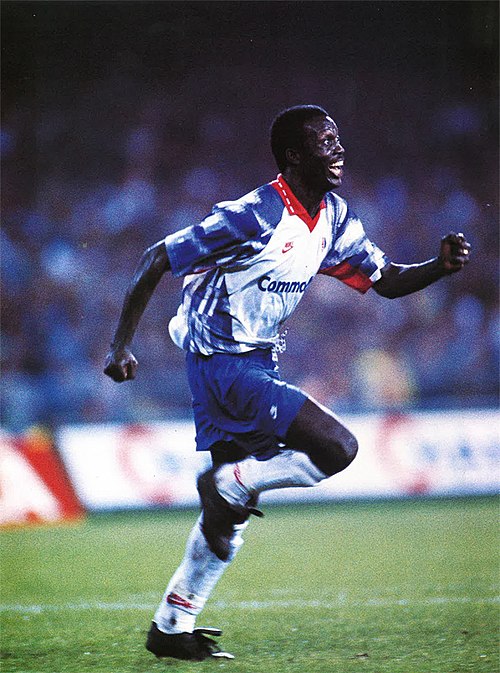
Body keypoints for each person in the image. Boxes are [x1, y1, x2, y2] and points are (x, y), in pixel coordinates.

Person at [104, 104, 470, 661]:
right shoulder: (253, 216)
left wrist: (438, 267)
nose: (339, 149)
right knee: (337, 447)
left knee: (224, 521)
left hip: (252, 364)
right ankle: (231, 484)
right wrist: (120, 345)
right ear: (295, 156)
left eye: (338, 138)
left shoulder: (335, 218)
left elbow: (388, 281)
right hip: (223, 365)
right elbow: (159, 257)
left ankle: (171, 625)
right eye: (325, 142)